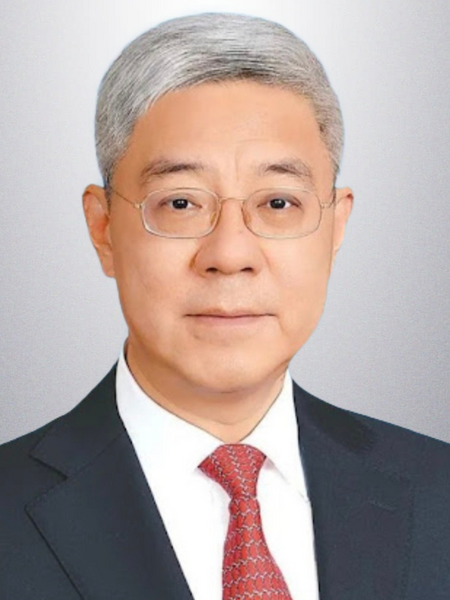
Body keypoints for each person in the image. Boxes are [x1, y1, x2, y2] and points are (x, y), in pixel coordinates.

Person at [1, 11, 449, 600]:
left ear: (336, 226)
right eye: (180, 203)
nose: (230, 254)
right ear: (103, 228)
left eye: (279, 203)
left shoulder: (437, 492)